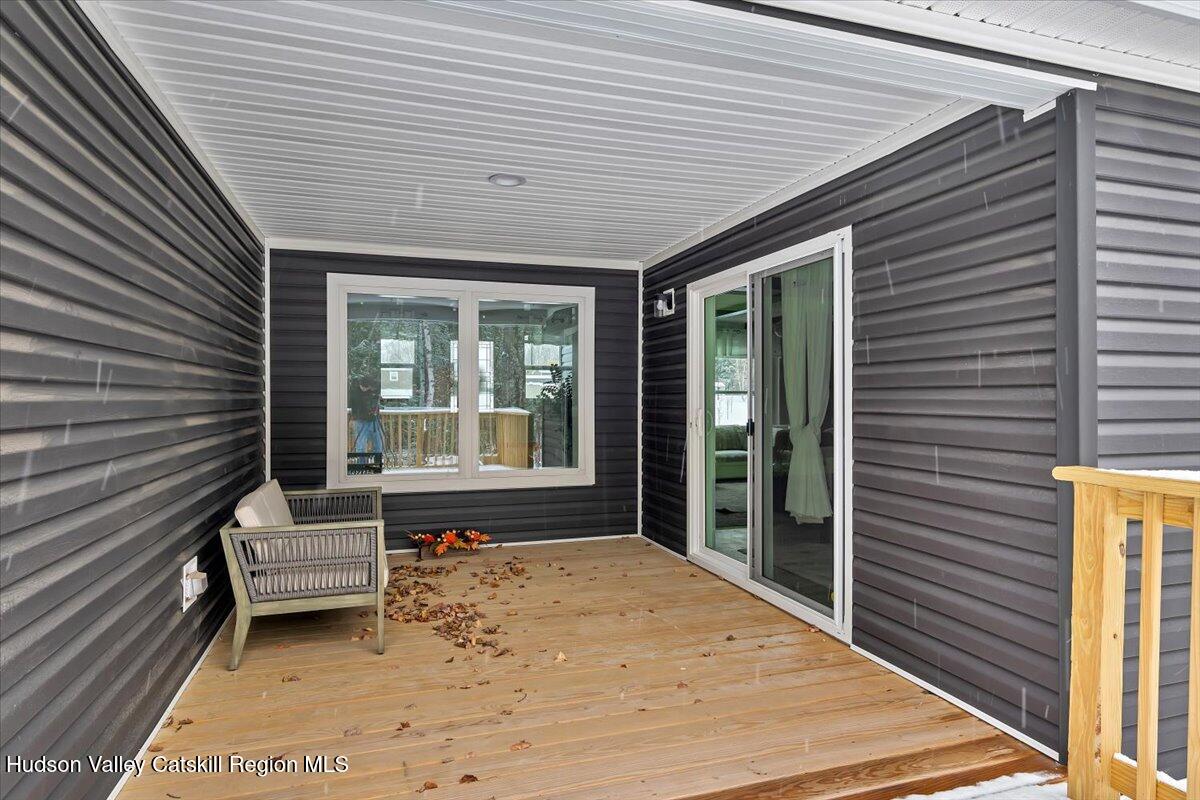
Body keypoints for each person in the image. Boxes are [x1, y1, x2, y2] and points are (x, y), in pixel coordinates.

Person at [349, 375, 384, 455]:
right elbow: (353, 405)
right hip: (360, 420)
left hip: (374, 420)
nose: (364, 389)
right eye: (363, 387)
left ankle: (376, 464)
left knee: (378, 444)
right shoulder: (355, 390)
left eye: (367, 387)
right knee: (360, 446)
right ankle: (361, 465)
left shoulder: (374, 388)